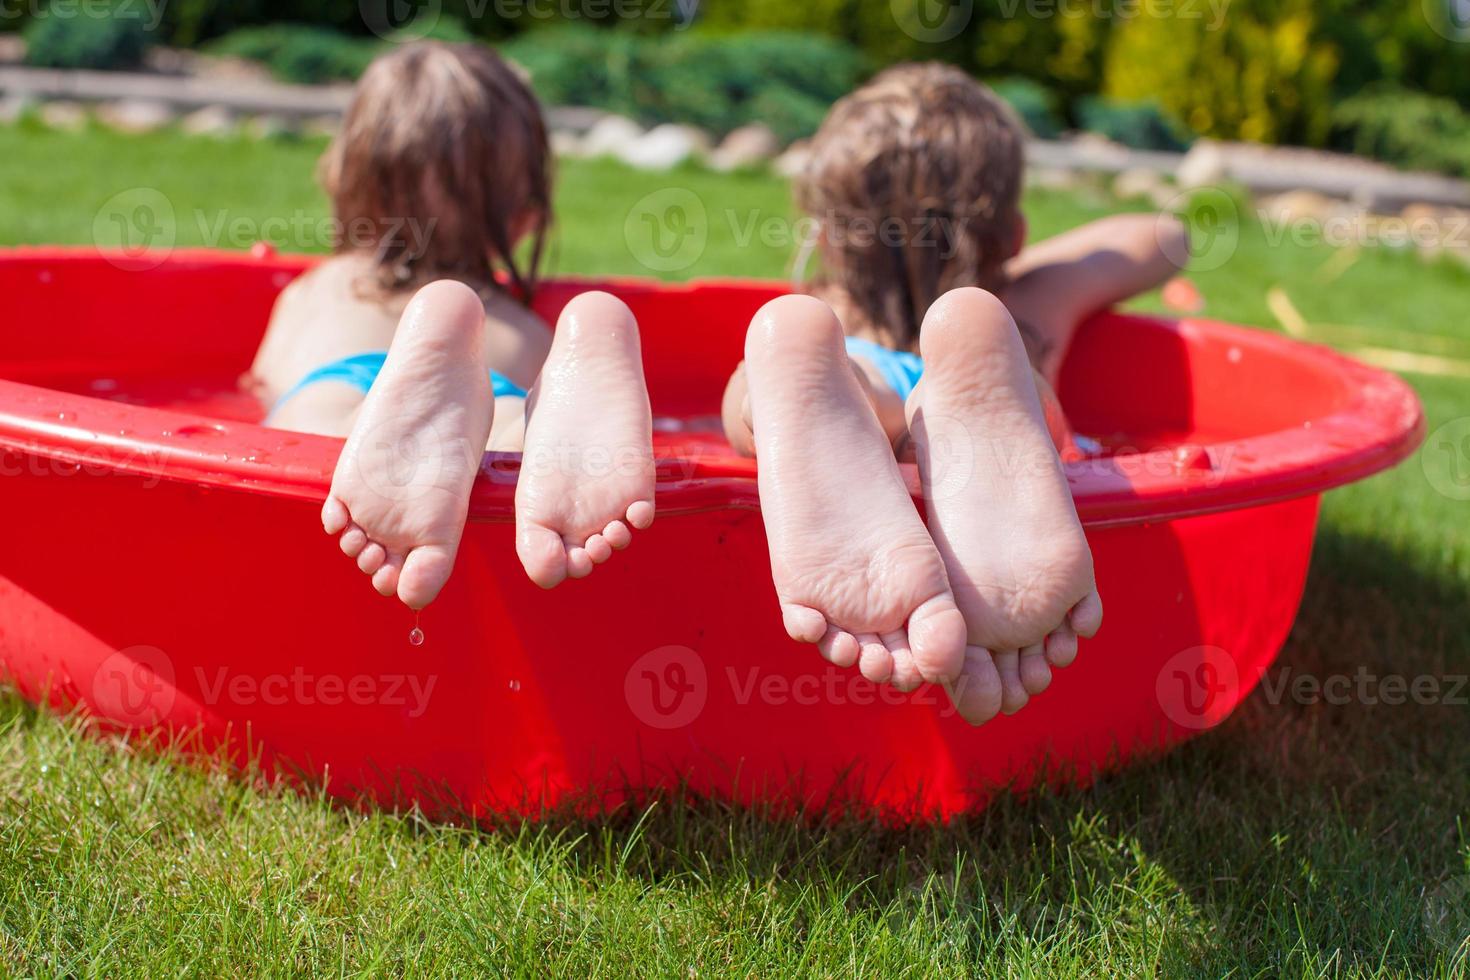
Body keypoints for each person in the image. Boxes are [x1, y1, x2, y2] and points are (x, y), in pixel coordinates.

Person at [721, 63, 1187, 725]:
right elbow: (1163, 237)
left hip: (859, 370)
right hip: (1007, 394)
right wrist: (1009, 264)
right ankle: (990, 392)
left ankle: (796, 379)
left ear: (824, 236)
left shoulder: (829, 308)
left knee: (807, 392)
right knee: (1025, 400)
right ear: (1014, 235)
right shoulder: (1024, 305)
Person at [250, 43, 656, 609]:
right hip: (490, 382)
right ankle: (520, 428)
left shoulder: (314, 292)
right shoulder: (517, 326)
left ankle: (365, 419)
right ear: (522, 219)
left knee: (312, 420)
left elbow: (261, 381)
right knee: (514, 429)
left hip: (330, 381)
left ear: (342, 179)